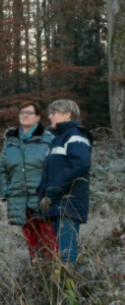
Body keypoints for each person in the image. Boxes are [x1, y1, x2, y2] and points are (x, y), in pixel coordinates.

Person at [0, 100, 57, 260]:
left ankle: (55, 276)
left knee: (49, 240)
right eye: (22, 112)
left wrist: (50, 194)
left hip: (42, 199)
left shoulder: (48, 139)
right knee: (31, 242)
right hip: (19, 199)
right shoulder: (11, 141)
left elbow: (56, 169)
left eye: (29, 112)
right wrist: (6, 191)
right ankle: (36, 273)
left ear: (37, 117)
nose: (25, 115)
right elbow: (3, 169)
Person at [37, 99, 93, 265]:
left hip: (68, 204)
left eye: (54, 113)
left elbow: (80, 164)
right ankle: (64, 288)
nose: (50, 116)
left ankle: (73, 289)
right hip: (56, 204)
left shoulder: (75, 134)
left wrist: (52, 191)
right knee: (58, 257)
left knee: (67, 256)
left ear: (67, 114)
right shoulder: (57, 139)